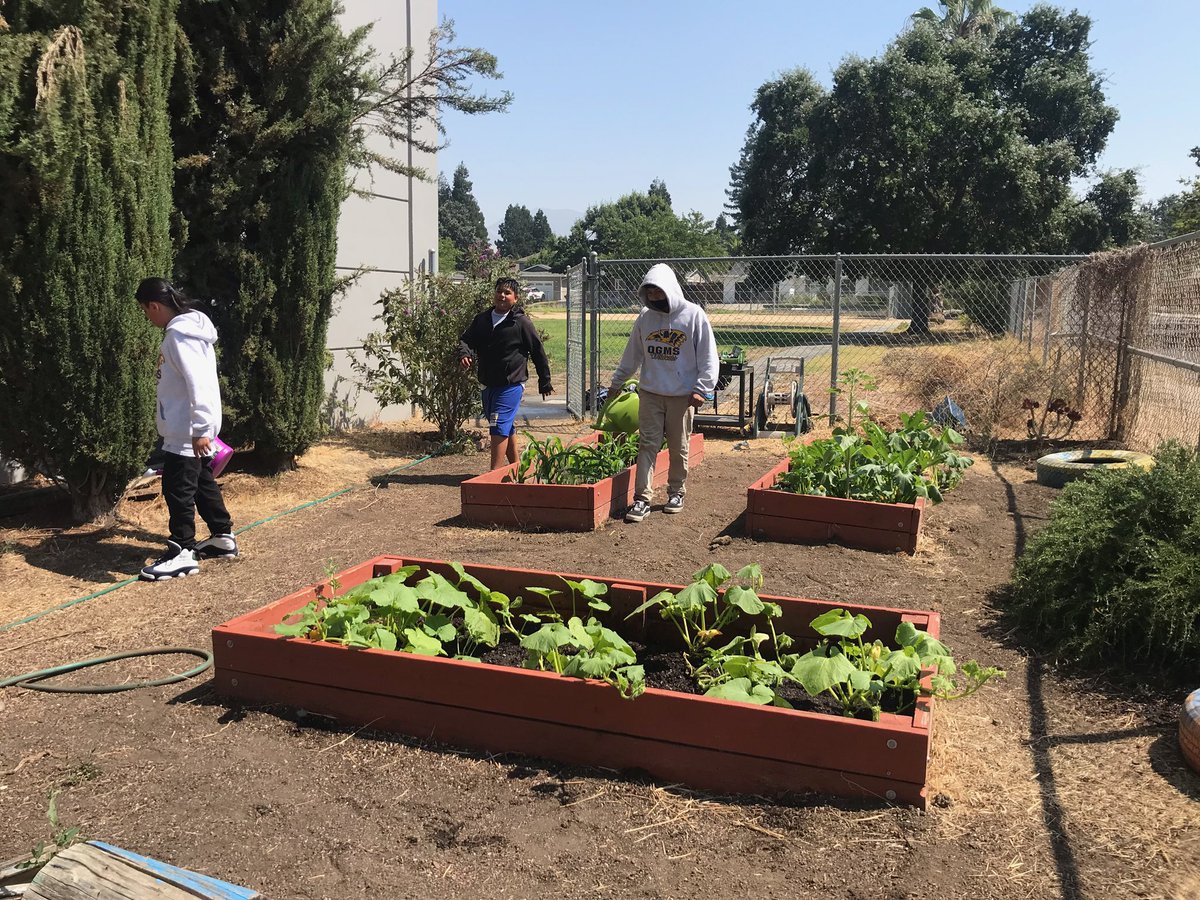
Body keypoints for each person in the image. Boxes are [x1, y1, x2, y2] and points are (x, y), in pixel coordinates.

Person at [135, 278, 237, 580]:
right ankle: (222, 537)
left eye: (145, 311)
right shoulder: (187, 333)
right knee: (202, 481)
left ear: (154, 306)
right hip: (188, 429)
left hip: (186, 431)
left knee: (177, 489)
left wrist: (202, 429)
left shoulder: (180, 337)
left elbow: (200, 384)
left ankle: (182, 550)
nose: (147, 317)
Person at [608, 263, 718, 522]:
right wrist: (616, 383)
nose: (654, 297)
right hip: (650, 393)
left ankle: (676, 492)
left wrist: (702, 389)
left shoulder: (693, 315)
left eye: (658, 291)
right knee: (647, 445)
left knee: (679, 445)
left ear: (670, 289)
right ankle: (642, 499)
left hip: (682, 396)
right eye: (649, 293)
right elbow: (632, 355)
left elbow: (708, 357)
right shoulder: (645, 318)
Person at [458, 277, 554, 470]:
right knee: (505, 427)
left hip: (511, 383)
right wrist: (464, 353)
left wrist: (545, 381)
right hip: (488, 382)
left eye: (507, 293)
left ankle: (495, 475)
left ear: (515, 298)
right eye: (499, 291)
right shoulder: (482, 319)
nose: (502, 295)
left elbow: (537, 350)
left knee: (498, 424)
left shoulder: (520, 323)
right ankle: (518, 469)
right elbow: (466, 340)